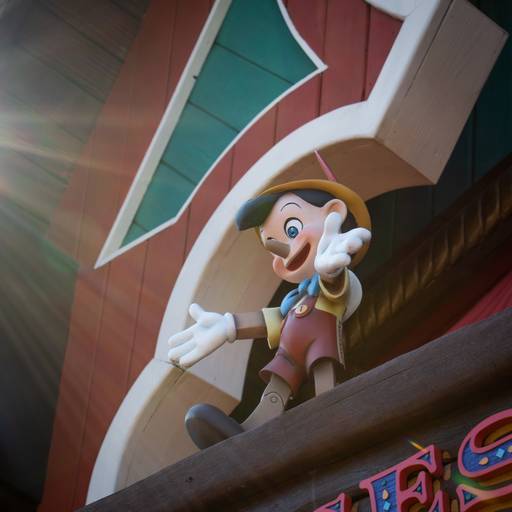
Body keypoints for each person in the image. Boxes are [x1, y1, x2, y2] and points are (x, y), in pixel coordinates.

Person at [168, 152, 371, 449]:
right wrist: (228, 326)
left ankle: (332, 418)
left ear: (334, 213)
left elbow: (338, 290)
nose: (284, 250)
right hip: (290, 350)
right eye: (273, 246)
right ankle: (250, 433)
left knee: (324, 375)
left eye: (292, 230)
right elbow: (273, 319)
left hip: (320, 344)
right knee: (277, 385)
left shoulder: (331, 281)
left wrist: (332, 272)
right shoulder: (296, 299)